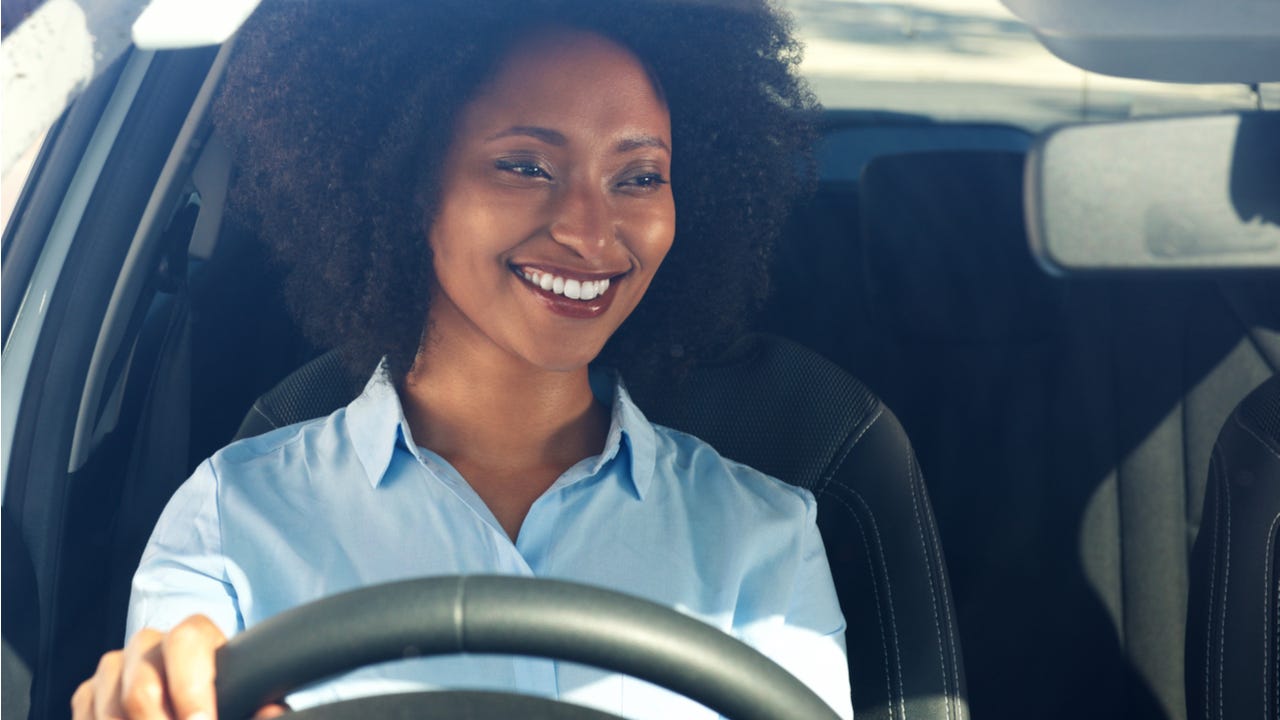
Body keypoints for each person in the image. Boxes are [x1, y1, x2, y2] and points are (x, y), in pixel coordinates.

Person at [72, 1, 851, 718]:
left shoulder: (764, 542)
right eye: (526, 165)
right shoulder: (230, 522)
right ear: (409, 180)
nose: (591, 230)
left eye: (640, 177)